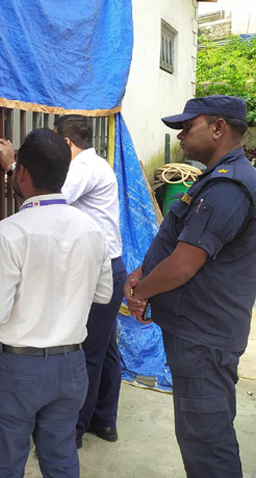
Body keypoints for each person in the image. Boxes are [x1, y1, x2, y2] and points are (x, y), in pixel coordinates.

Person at [124, 95, 256, 478]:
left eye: (187, 126)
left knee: (207, 446)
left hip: (202, 339)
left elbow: (183, 264)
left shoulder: (228, 188)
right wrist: (143, 270)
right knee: (200, 436)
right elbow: (180, 241)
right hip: (199, 334)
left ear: (218, 128)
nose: (180, 135)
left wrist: (143, 292)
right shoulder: (214, 180)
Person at [0, 128, 112, 478]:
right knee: (61, 458)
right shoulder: (93, 229)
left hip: (17, 368)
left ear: (21, 172)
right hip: (71, 365)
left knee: (5, 465)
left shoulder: (10, 232)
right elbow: (103, 295)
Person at [0, 115, 126, 448]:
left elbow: (47, 195)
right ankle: (104, 420)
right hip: (105, 263)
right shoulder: (96, 164)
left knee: (88, 353)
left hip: (97, 267)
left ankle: (73, 433)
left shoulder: (82, 168)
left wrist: (13, 167)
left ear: (66, 143)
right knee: (105, 349)